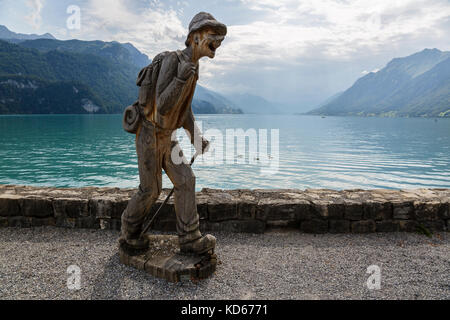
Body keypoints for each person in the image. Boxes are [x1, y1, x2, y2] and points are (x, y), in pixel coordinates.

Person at [120, 12, 227, 255]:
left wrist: (194, 136)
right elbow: (163, 104)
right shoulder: (174, 61)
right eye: (213, 38)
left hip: (168, 137)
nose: (217, 44)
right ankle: (129, 231)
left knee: (186, 180)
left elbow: (183, 108)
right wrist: (181, 78)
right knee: (151, 190)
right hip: (149, 133)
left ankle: (189, 239)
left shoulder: (193, 67)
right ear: (196, 37)